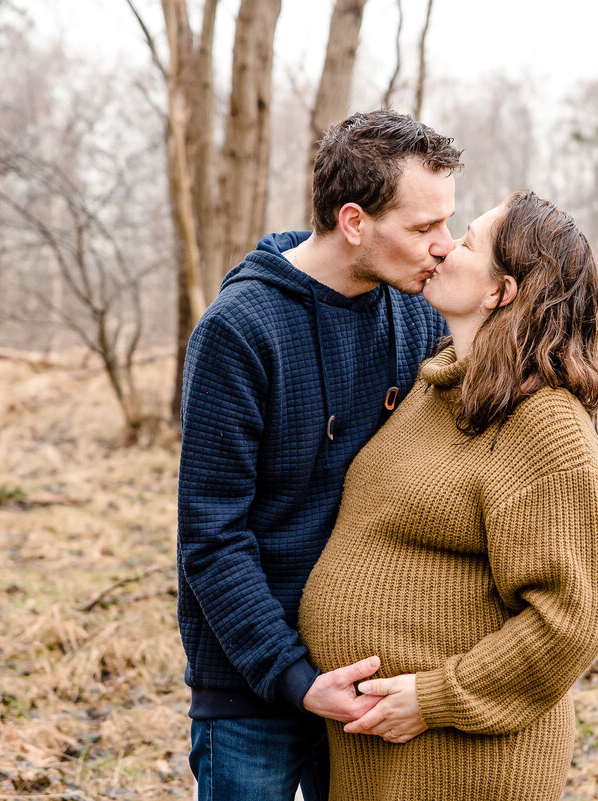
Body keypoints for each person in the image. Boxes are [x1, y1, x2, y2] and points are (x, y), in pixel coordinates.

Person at [177, 109, 461, 801]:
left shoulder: (419, 314)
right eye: (424, 228)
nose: (445, 247)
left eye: (448, 224)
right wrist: (298, 680)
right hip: (254, 686)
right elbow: (212, 538)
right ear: (355, 220)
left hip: (371, 680)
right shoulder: (240, 331)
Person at [299, 191, 598, 800]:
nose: (444, 246)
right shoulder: (438, 388)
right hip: (380, 750)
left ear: (502, 291)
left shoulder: (543, 426)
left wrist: (436, 698)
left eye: (468, 242)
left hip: (463, 759)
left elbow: (574, 618)